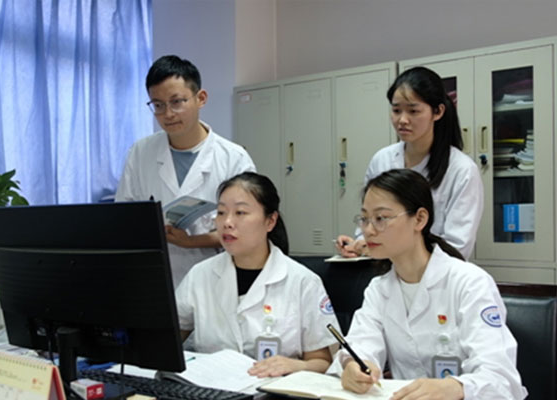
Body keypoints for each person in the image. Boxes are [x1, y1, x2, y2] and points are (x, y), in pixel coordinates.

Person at [335, 169, 526, 400]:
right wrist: (354, 367)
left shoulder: (470, 283)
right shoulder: (379, 289)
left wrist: (455, 388)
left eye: (381, 218)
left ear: (420, 219)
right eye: (365, 219)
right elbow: (361, 345)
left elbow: (500, 379)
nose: (368, 230)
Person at [176, 172, 340, 377]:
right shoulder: (200, 275)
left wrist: (294, 366)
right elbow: (167, 340)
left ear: (270, 221)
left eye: (240, 212)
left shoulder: (303, 282)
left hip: (275, 390)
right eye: (221, 212)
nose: (227, 222)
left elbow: (323, 362)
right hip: (211, 388)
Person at [116, 55, 255, 287]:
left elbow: (248, 229)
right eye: (158, 105)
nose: (168, 114)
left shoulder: (233, 158)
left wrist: (191, 241)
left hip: (214, 279)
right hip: (157, 278)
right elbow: (124, 217)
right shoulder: (140, 153)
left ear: (201, 98)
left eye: (177, 102)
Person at [336, 67, 483, 260]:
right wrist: (358, 244)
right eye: (396, 110)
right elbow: (369, 221)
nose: (402, 120)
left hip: (435, 273)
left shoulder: (461, 170)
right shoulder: (382, 160)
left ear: (438, 112)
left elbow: (457, 247)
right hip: (382, 268)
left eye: (413, 111)